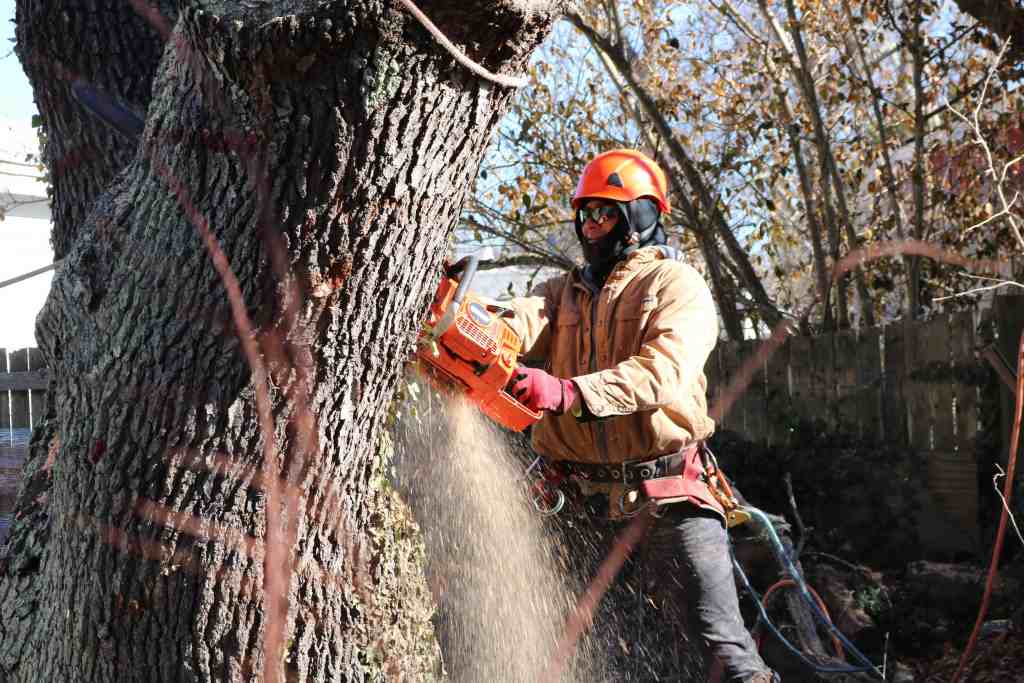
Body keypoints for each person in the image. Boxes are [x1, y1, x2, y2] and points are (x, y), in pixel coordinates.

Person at [502, 149, 777, 683]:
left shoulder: (676, 287)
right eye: (584, 214)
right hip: (580, 505)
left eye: (604, 213)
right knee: (587, 651)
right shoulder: (563, 294)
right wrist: (468, 323)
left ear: (640, 218)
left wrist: (567, 392)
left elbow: (663, 372)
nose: (591, 225)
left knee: (722, 652)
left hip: (667, 498)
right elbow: (517, 322)